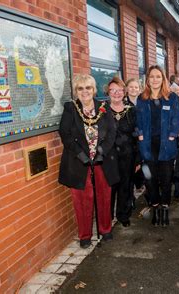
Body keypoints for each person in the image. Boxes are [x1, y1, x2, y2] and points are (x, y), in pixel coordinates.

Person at [58, 74, 118, 248]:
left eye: (88, 88)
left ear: (94, 89)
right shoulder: (71, 108)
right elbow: (65, 134)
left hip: (102, 161)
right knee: (82, 200)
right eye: (80, 88)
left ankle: (105, 230)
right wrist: (81, 155)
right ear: (76, 91)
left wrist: (101, 152)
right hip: (79, 163)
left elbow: (112, 133)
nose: (84, 92)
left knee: (104, 196)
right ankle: (85, 235)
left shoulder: (103, 108)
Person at [136, 65, 179, 227]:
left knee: (166, 179)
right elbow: (138, 119)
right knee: (150, 179)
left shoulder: (172, 98)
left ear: (163, 79)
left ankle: (165, 208)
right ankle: (155, 207)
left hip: (166, 145)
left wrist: (172, 135)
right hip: (147, 144)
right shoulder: (142, 98)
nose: (155, 80)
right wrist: (140, 133)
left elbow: (176, 118)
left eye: (158, 76)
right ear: (147, 79)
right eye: (152, 76)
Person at [107, 77, 138, 228]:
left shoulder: (131, 110)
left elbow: (138, 135)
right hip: (108, 157)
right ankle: (107, 217)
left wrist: (138, 159)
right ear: (108, 92)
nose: (117, 93)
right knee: (110, 187)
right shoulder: (102, 110)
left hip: (128, 155)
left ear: (124, 92)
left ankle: (123, 215)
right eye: (113, 90)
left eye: (119, 90)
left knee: (126, 185)